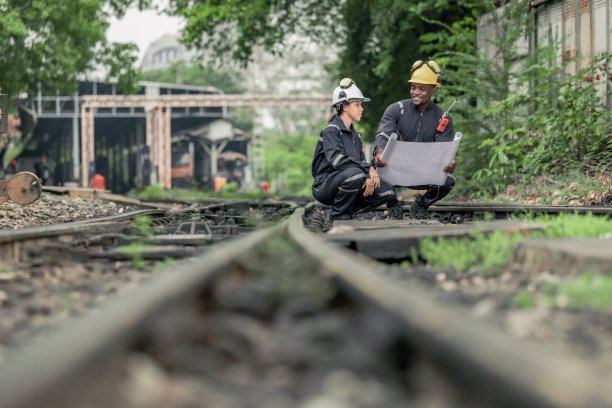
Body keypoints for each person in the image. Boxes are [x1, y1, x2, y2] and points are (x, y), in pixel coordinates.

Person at [312, 78, 402, 226]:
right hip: (324, 185)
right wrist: (367, 169)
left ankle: (348, 212)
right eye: (357, 105)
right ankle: (336, 218)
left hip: (351, 178)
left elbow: (359, 160)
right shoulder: (331, 131)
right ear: (345, 106)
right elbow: (336, 160)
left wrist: (368, 175)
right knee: (355, 174)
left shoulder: (356, 135)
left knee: (386, 189)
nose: (362, 108)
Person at [373, 59, 457, 219]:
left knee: (448, 181)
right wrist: (379, 151)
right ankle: (392, 204)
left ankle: (420, 204)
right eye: (413, 87)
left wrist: (449, 163)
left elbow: (444, 149)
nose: (415, 92)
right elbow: (383, 134)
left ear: (434, 89)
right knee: (375, 174)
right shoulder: (396, 110)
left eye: (422, 88)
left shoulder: (443, 118)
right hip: (395, 172)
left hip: (424, 172)